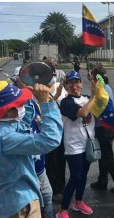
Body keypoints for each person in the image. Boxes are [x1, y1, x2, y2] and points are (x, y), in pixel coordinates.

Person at [0, 81, 62, 218]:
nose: (23, 106)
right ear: (10, 111)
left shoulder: (5, 124)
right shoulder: (4, 138)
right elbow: (50, 140)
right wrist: (46, 104)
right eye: (19, 104)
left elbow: (24, 124)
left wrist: (28, 96)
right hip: (21, 209)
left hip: (20, 202)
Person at [55, 71, 97, 218]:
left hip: (88, 144)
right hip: (74, 146)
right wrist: (94, 96)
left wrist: (97, 89)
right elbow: (83, 113)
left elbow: (101, 108)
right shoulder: (66, 102)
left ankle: (78, 202)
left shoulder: (86, 98)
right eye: (70, 83)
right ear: (66, 86)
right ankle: (62, 210)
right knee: (75, 177)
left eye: (77, 82)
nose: (75, 86)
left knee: (83, 175)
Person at [90, 66, 114, 193]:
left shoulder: (100, 89)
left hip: (104, 126)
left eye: (91, 75)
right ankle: (102, 180)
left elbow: (96, 107)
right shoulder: (105, 87)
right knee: (104, 155)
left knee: (107, 157)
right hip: (109, 126)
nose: (89, 76)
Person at [45, 59, 68, 201]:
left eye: (52, 72)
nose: (52, 75)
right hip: (48, 130)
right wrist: (56, 96)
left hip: (62, 129)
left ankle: (61, 187)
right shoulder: (38, 90)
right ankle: (53, 189)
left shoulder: (61, 86)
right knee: (50, 161)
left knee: (61, 160)